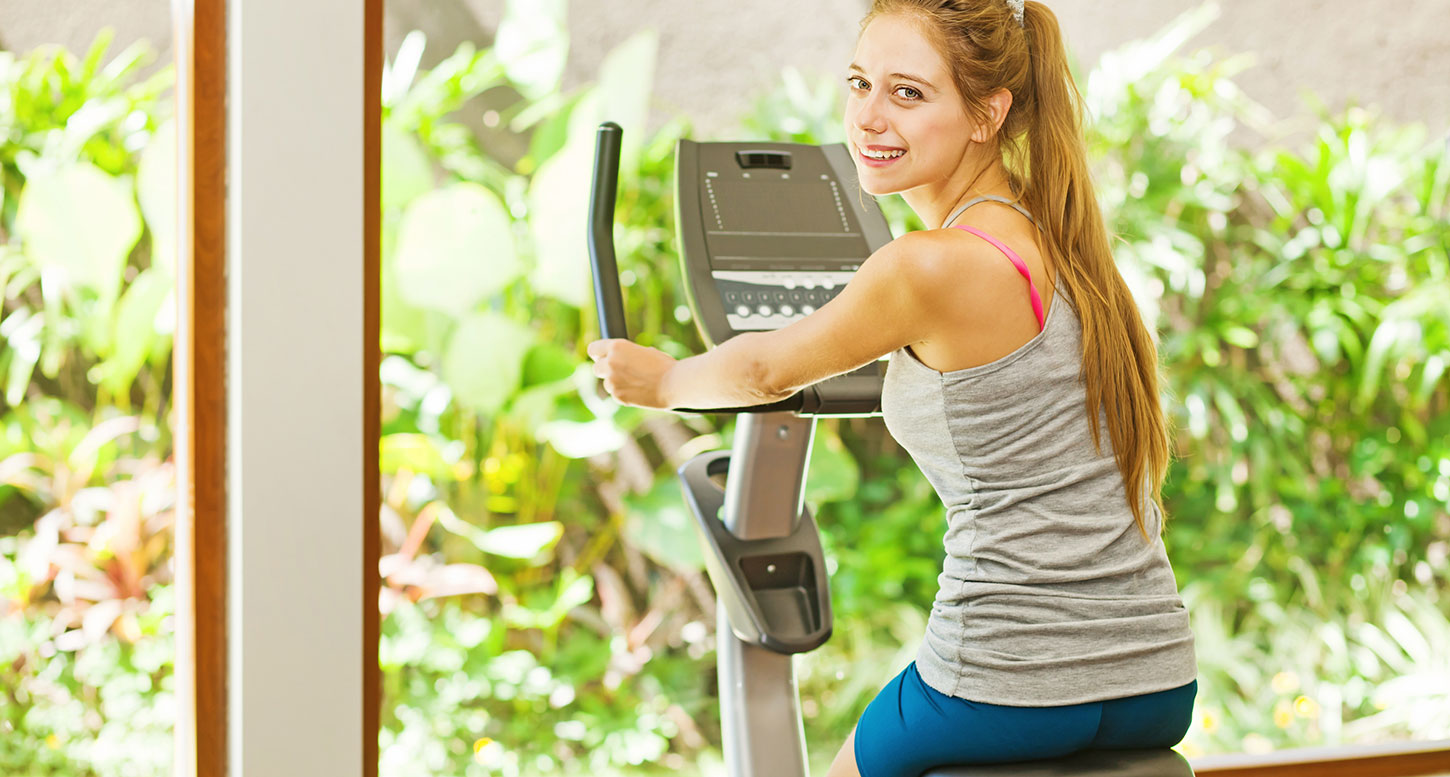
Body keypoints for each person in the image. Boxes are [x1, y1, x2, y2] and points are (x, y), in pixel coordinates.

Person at [587, 1, 1198, 775]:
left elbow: (764, 370)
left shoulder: (928, 264)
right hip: (1155, 676)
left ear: (987, 113)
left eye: (908, 94)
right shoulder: (1061, 236)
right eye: (859, 84)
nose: (870, 118)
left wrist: (662, 379)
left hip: (1008, 679)